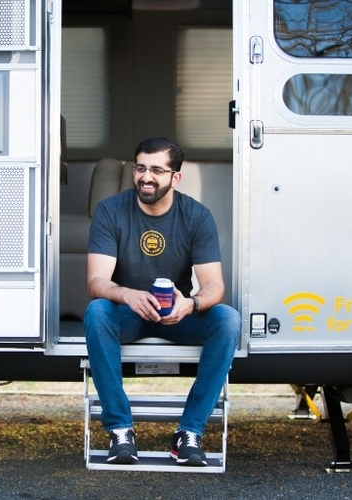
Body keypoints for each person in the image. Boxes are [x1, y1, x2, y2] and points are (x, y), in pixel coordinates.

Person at [84, 137, 241, 466]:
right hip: (130, 314)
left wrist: (191, 304)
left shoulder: (196, 216)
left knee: (227, 320)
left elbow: (214, 285)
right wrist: (128, 294)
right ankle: (120, 431)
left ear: (175, 177)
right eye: (140, 168)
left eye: (157, 169)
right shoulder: (111, 210)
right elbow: (96, 281)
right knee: (98, 312)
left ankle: (189, 433)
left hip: (177, 316)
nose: (146, 177)